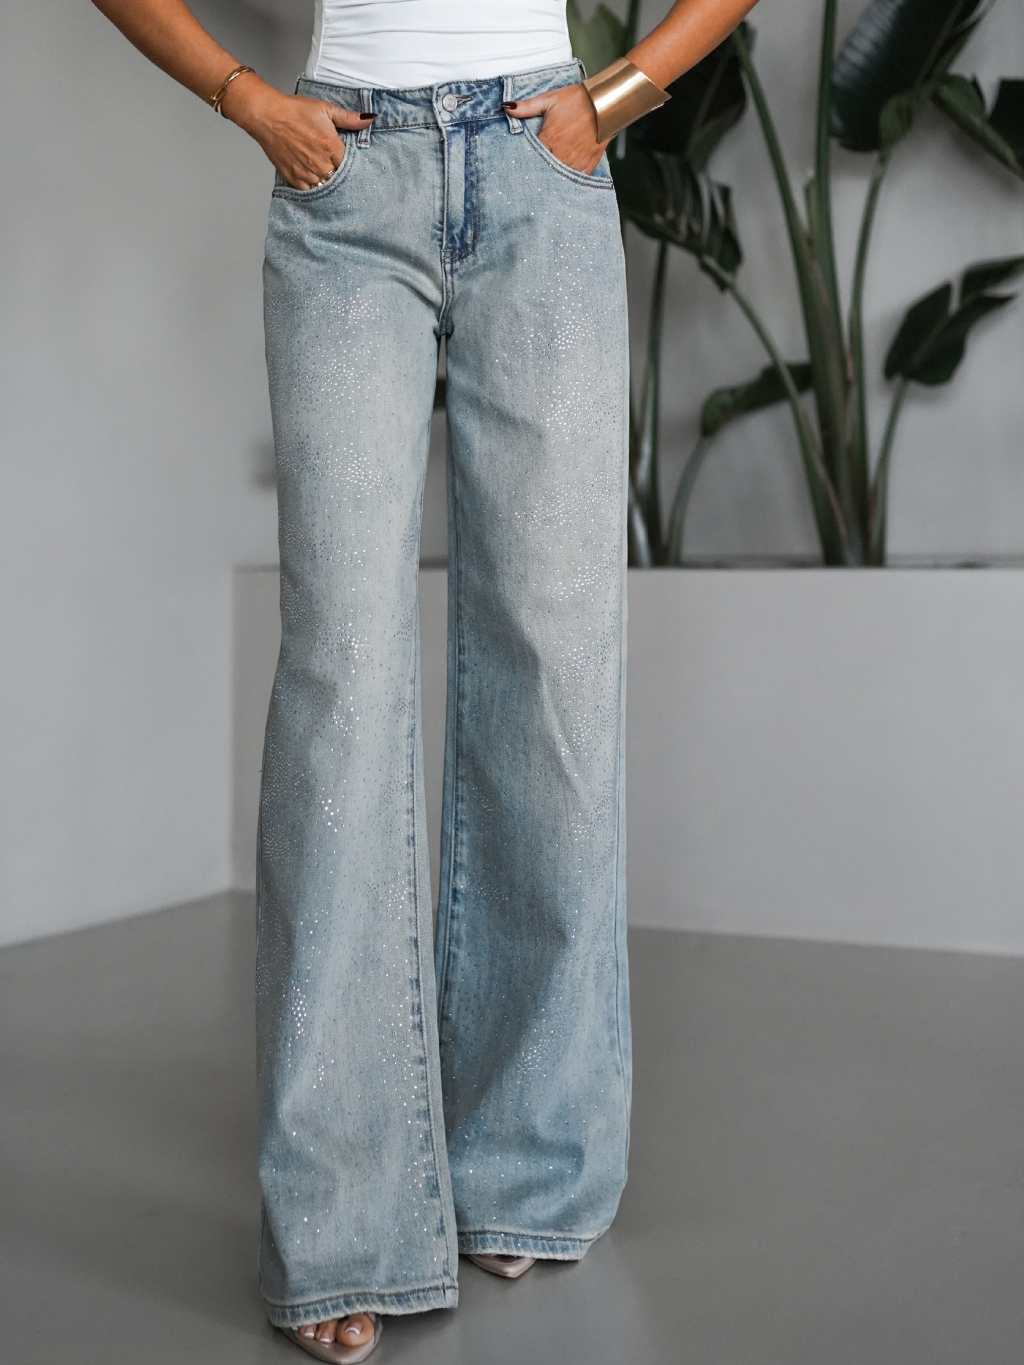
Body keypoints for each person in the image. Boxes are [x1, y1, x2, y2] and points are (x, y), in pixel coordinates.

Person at [91, 1, 757, 1359]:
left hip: (543, 172)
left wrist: (615, 98)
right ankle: (340, 1220)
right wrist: (247, 100)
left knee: (553, 675)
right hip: (347, 184)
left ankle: (526, 1162)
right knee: (339, 685)